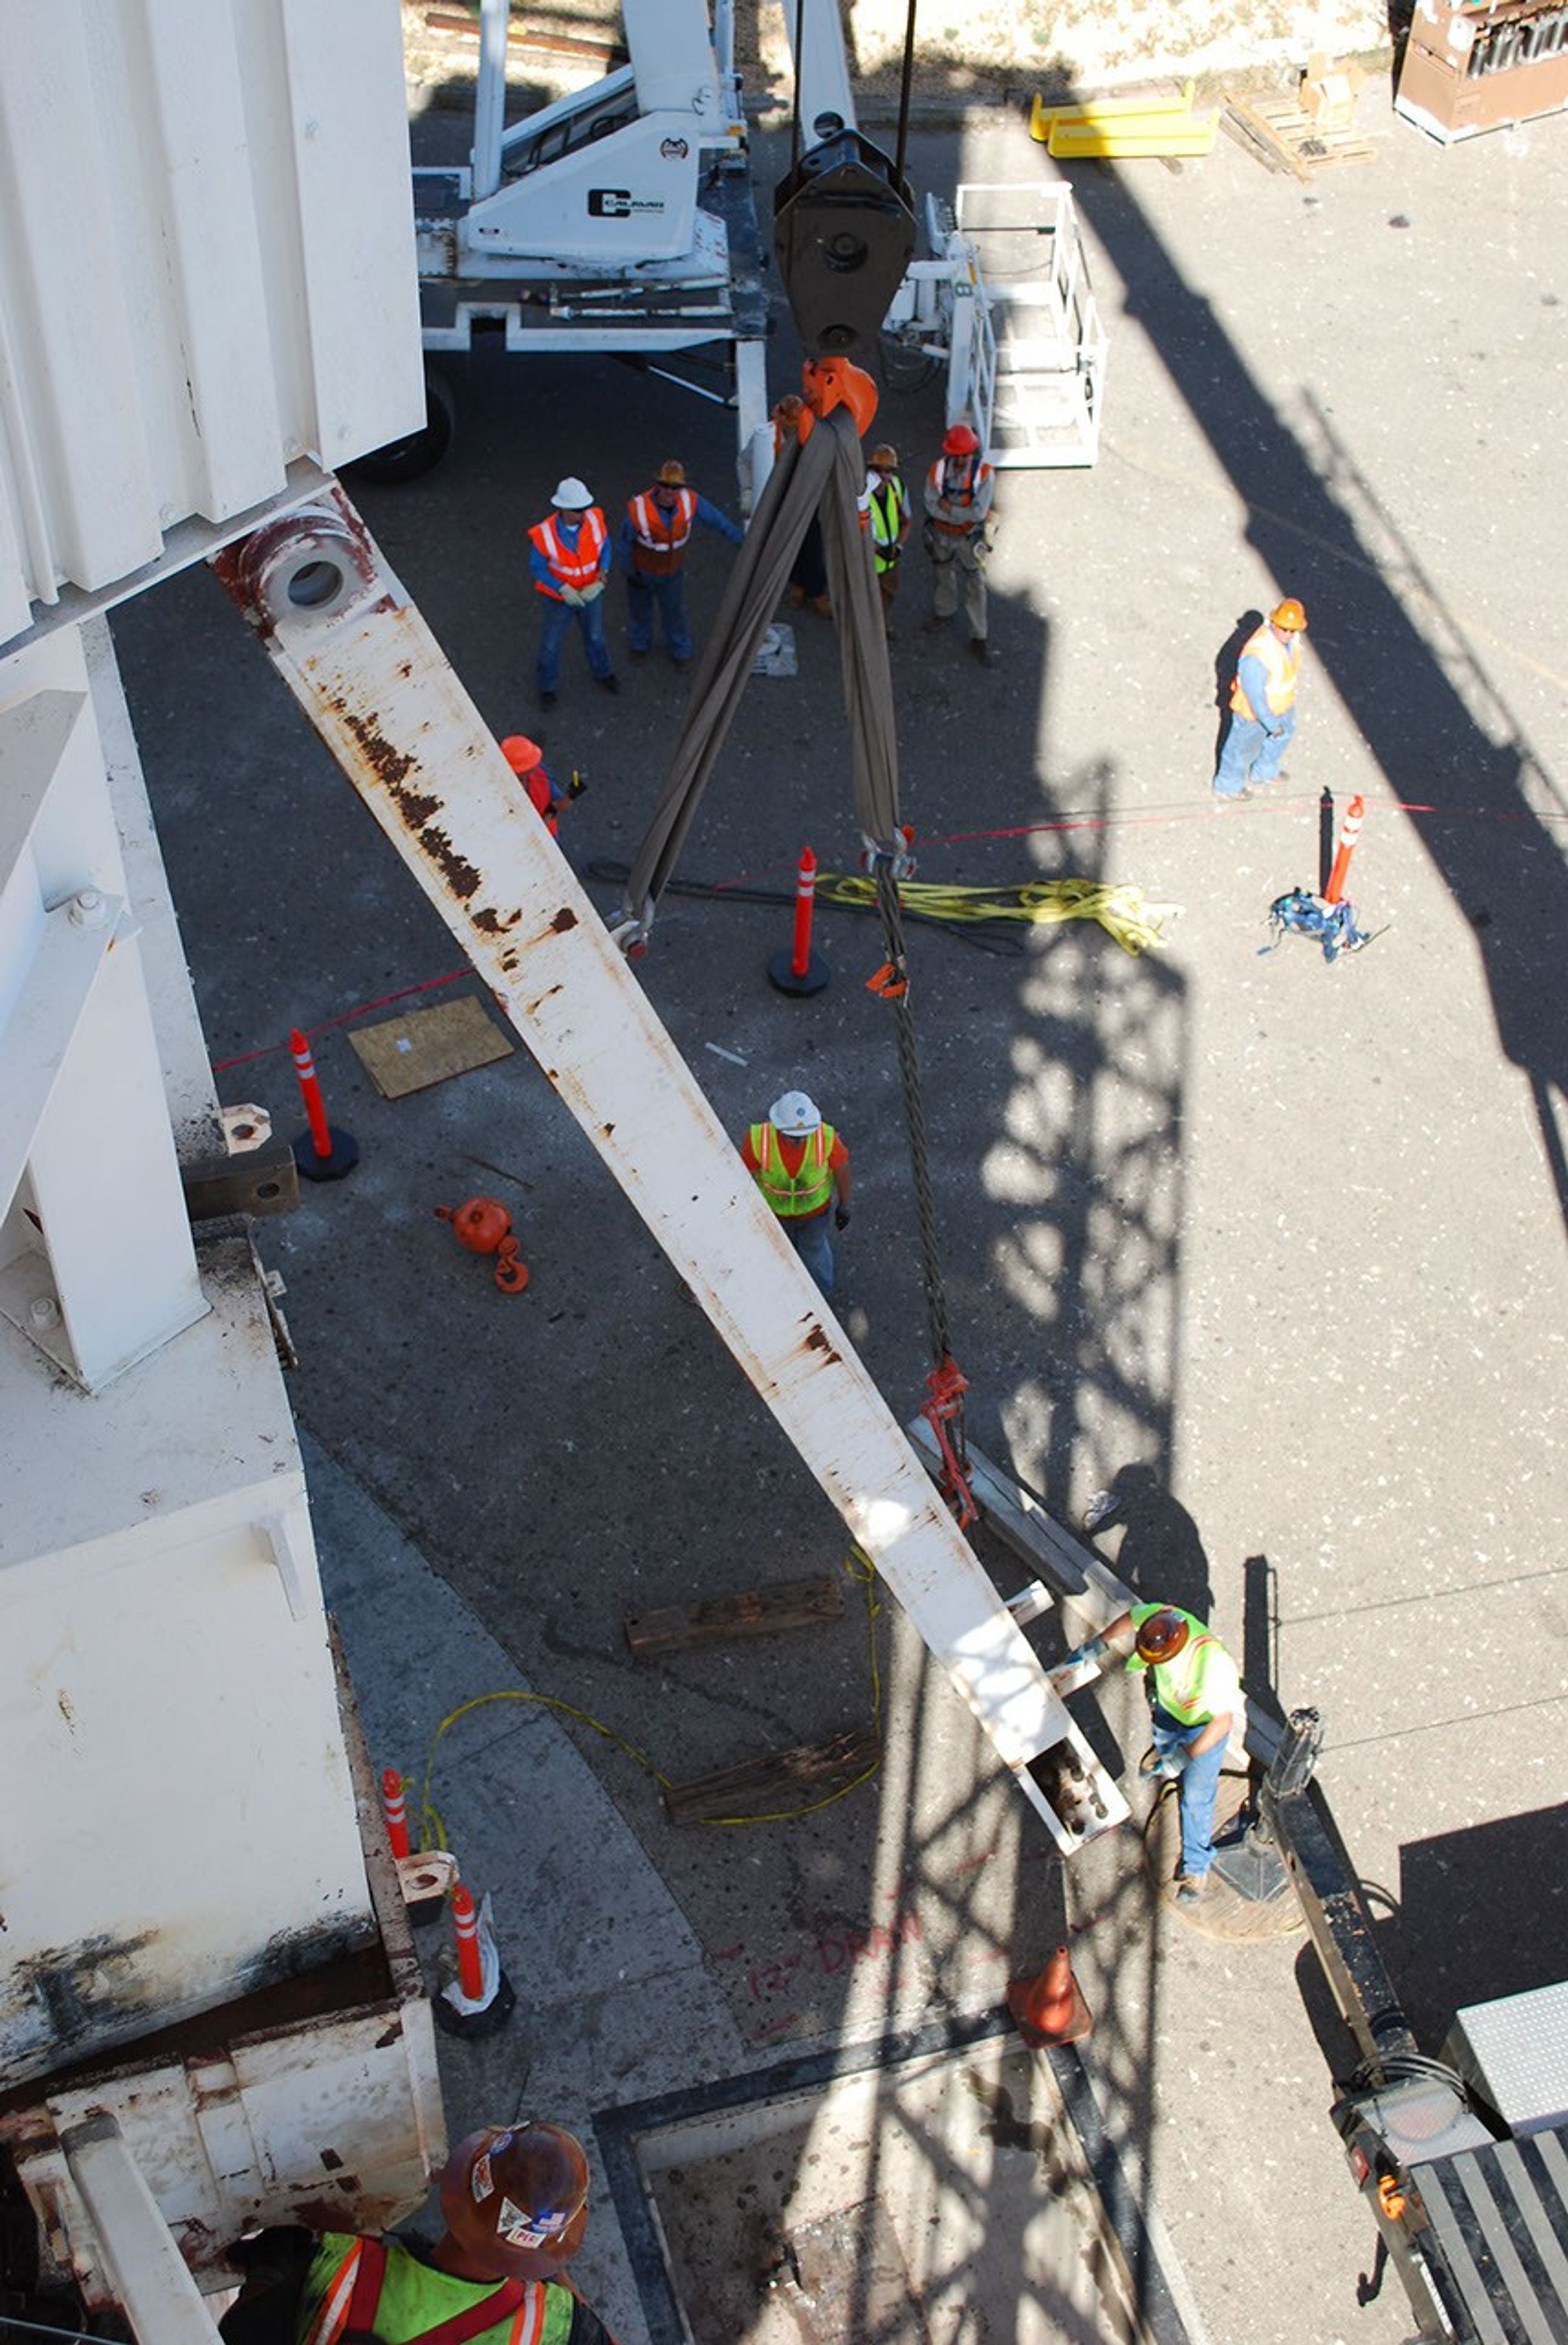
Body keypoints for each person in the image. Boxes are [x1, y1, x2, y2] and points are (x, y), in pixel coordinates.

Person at [219, 2121, 620, 2344]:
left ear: (459, 2187)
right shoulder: (553, 2324)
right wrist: (545, 2267)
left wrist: (268, 2267)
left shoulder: (338, 2267)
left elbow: (233, 2335)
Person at [1056, 1604, 1242, 1905]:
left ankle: (1196, 1868)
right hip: (1170, 1709)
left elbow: (1223, 1723)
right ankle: (1164, 1755)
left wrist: (1185, 1757)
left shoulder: (1214, 1666)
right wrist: (1098, 1643)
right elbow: (1132, 1618)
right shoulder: (1161, 1617)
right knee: (1163, 1737)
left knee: (1196, 1798)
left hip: (1203, 1729)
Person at [618, 459, 743, 669]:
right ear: (657, 485)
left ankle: (680, 651)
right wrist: (629, 573)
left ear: (682, 488)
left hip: (671, 574)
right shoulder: (638, 511)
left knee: (674, 613)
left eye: (675, 487)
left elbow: (718, 521)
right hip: (643, 573)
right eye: (665, 485)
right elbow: (624, 544)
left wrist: (744, 542)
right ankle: (639, 645)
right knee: (640, 612)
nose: (670, 491)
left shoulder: (690, 502)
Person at [741, 1090, 850, 1297]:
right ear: (779, 1128)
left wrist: (844, 1204)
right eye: (793, 1138)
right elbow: (744, 1176)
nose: (800, 1142)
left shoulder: (825, 1137)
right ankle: (783, 1296)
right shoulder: (759, 1139)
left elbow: (842, 1169)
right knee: (778, 1255)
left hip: (814, 1215)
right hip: (774, 1215)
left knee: (814, 1255)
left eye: (803, 1136)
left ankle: (819, 1299)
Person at [529, 478, 617, 712]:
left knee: (596, 637)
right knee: (550, 645)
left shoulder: (595, 521)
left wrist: (603, 573)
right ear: (563, 509)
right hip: (561, 600)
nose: (583, 514)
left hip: (590, 594)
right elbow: (537, 568)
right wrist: (562, 588)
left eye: (584, 508)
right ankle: (547, 688)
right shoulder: (545, 534)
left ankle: (604, 673)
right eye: (578, 510)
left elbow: (606, 547)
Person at [1213, 598, 1308, 806]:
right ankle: (1228, 785)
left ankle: (1264, 770)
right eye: (1285, 629)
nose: (1290, 634)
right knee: (1239, 750)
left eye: (1294, 630)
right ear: (1274, 623)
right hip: (1254, 714)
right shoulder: (1258, 655)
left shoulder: (1291, 642)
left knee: (1282, 737)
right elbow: (1255, 696)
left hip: (1281, 706)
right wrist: (1270, 724)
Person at [922, 422, 997, 666]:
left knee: (975, 583)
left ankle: (979, 636)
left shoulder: (984, 475)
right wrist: (958, 513)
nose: (963, 459)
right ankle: (944, 612)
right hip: (943, 535)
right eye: (959, 455)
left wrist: (950, 510)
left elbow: (978, 514)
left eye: (967, 454)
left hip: (968, 537)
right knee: (942, 573)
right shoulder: (937, 471)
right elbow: (931, 506)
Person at [773, 394, 830, 617]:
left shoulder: (810, 432)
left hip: (807, 496)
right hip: (785, 498)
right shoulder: (771, 435)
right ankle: (801, 585)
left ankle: (814, 590)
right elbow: (747, 461)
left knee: (812, 544)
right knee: (793, 544)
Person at [864, 443, 911, 633]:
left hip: (890, 561)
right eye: (879, 470)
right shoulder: (861, 495)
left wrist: (898, 546)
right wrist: (875, 549)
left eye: (889, 471)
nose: (884, 476)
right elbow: (854, 533)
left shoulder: (897, 487)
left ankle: (883, 626)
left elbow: (907, 521)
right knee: (865, 600)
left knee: (888, 595)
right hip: (867, 562)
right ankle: (868, 634)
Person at [500, 735, 584, 838]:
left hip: (548, 835)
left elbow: (559, 805)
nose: (536, 765)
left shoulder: (541, 773)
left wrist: (572, 795)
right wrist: (550, 812)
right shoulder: (502, 794)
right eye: (531, 764)